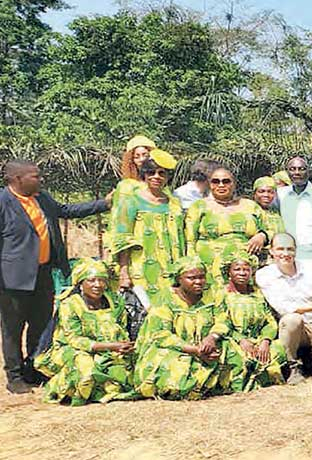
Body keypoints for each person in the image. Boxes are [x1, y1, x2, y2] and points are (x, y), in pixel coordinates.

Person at [1, 160, 110, 394]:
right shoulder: (3, 203)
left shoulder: (42, 198)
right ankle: (15, 376)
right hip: (12, 278)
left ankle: (34, 367)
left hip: (43, 273)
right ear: (16, 179)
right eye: (35, 176)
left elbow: (66, 211)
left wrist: (104, 204)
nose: (41, 180)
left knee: (41, 324)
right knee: (12, 328)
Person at [33, 259, 137, 405]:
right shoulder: (70, 304)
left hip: (111, 348)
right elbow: (75, 340)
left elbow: (122, 328)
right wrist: (110, 346)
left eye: (102, 280)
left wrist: (123, 346)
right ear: (80, 283)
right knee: (85, 367)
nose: (98, 285)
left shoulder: (115, 301)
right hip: (74, 349)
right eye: (91, 280)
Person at [133, 256, 236, 400]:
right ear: (179, 279)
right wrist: (196, 350)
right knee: (176, 381)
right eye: (191, 278)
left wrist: (211, 338)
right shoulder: (165, 298)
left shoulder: (212, 294)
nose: (198, 282)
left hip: (208, 345)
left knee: (233, 355)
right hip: (174, 348)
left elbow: (223, 319)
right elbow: (161, 334)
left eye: (201, 277)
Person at [255, 233, 312, 385]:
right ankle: (292, 366)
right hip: (293, 331)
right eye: (280, 249)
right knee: (292, 319)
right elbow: (283, 308)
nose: (285, 254)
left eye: (290, 249)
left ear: (296, 250)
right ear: (271, 251)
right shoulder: (264, 275)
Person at [112, 151, 185, 307]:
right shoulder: (131, 200)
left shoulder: (174, 204)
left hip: (172, 269)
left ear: (167, 177)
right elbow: (122, 238)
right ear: (144, 175)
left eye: (161, 173)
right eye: (151, 172)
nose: (156, 177)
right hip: (141, 269)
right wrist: (124, 273)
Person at [184, 167, 269, 291]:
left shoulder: (250, 206)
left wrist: (262, 235)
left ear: (234, 184)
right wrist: (194, 267)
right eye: (216, 181)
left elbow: (270, 228)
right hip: (210, 267)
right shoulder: (199, 207)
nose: (221, 185)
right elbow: (190, 241)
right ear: (209, 184)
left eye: (226, 181)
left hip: (244, 269)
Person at [217, 253, 286, 392]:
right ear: (229, 272)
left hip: (258, 340)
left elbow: (270, 321)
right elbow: (221, 323)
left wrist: (265, 341)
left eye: (246, 269)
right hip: (233, 340)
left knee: (278, 349)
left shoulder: (258, 293)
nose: (242, 273)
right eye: (237, 269)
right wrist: (240, 340)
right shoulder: (222, 294)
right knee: (241, 358)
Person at [252, 176, 285, 264]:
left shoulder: (277, 214)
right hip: (256, 260)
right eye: (261, 191)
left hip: (277, 261)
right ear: (254, 194)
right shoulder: (249, 211)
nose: (266, 195)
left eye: (270, 192)